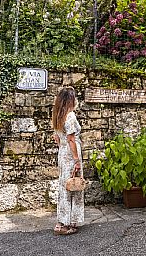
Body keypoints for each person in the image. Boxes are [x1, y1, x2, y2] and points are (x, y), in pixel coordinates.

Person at [52, 87, 84, 235]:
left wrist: (63, 148)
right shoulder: (70, 116)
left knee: (64, 186)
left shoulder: (58, 115)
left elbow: (57, 138)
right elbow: (71, 139)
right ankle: (68, 223)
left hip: (62, 153)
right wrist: (76, 160)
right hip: (70, 154)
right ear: (71, 100)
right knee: (73, 186)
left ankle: (61, 222)